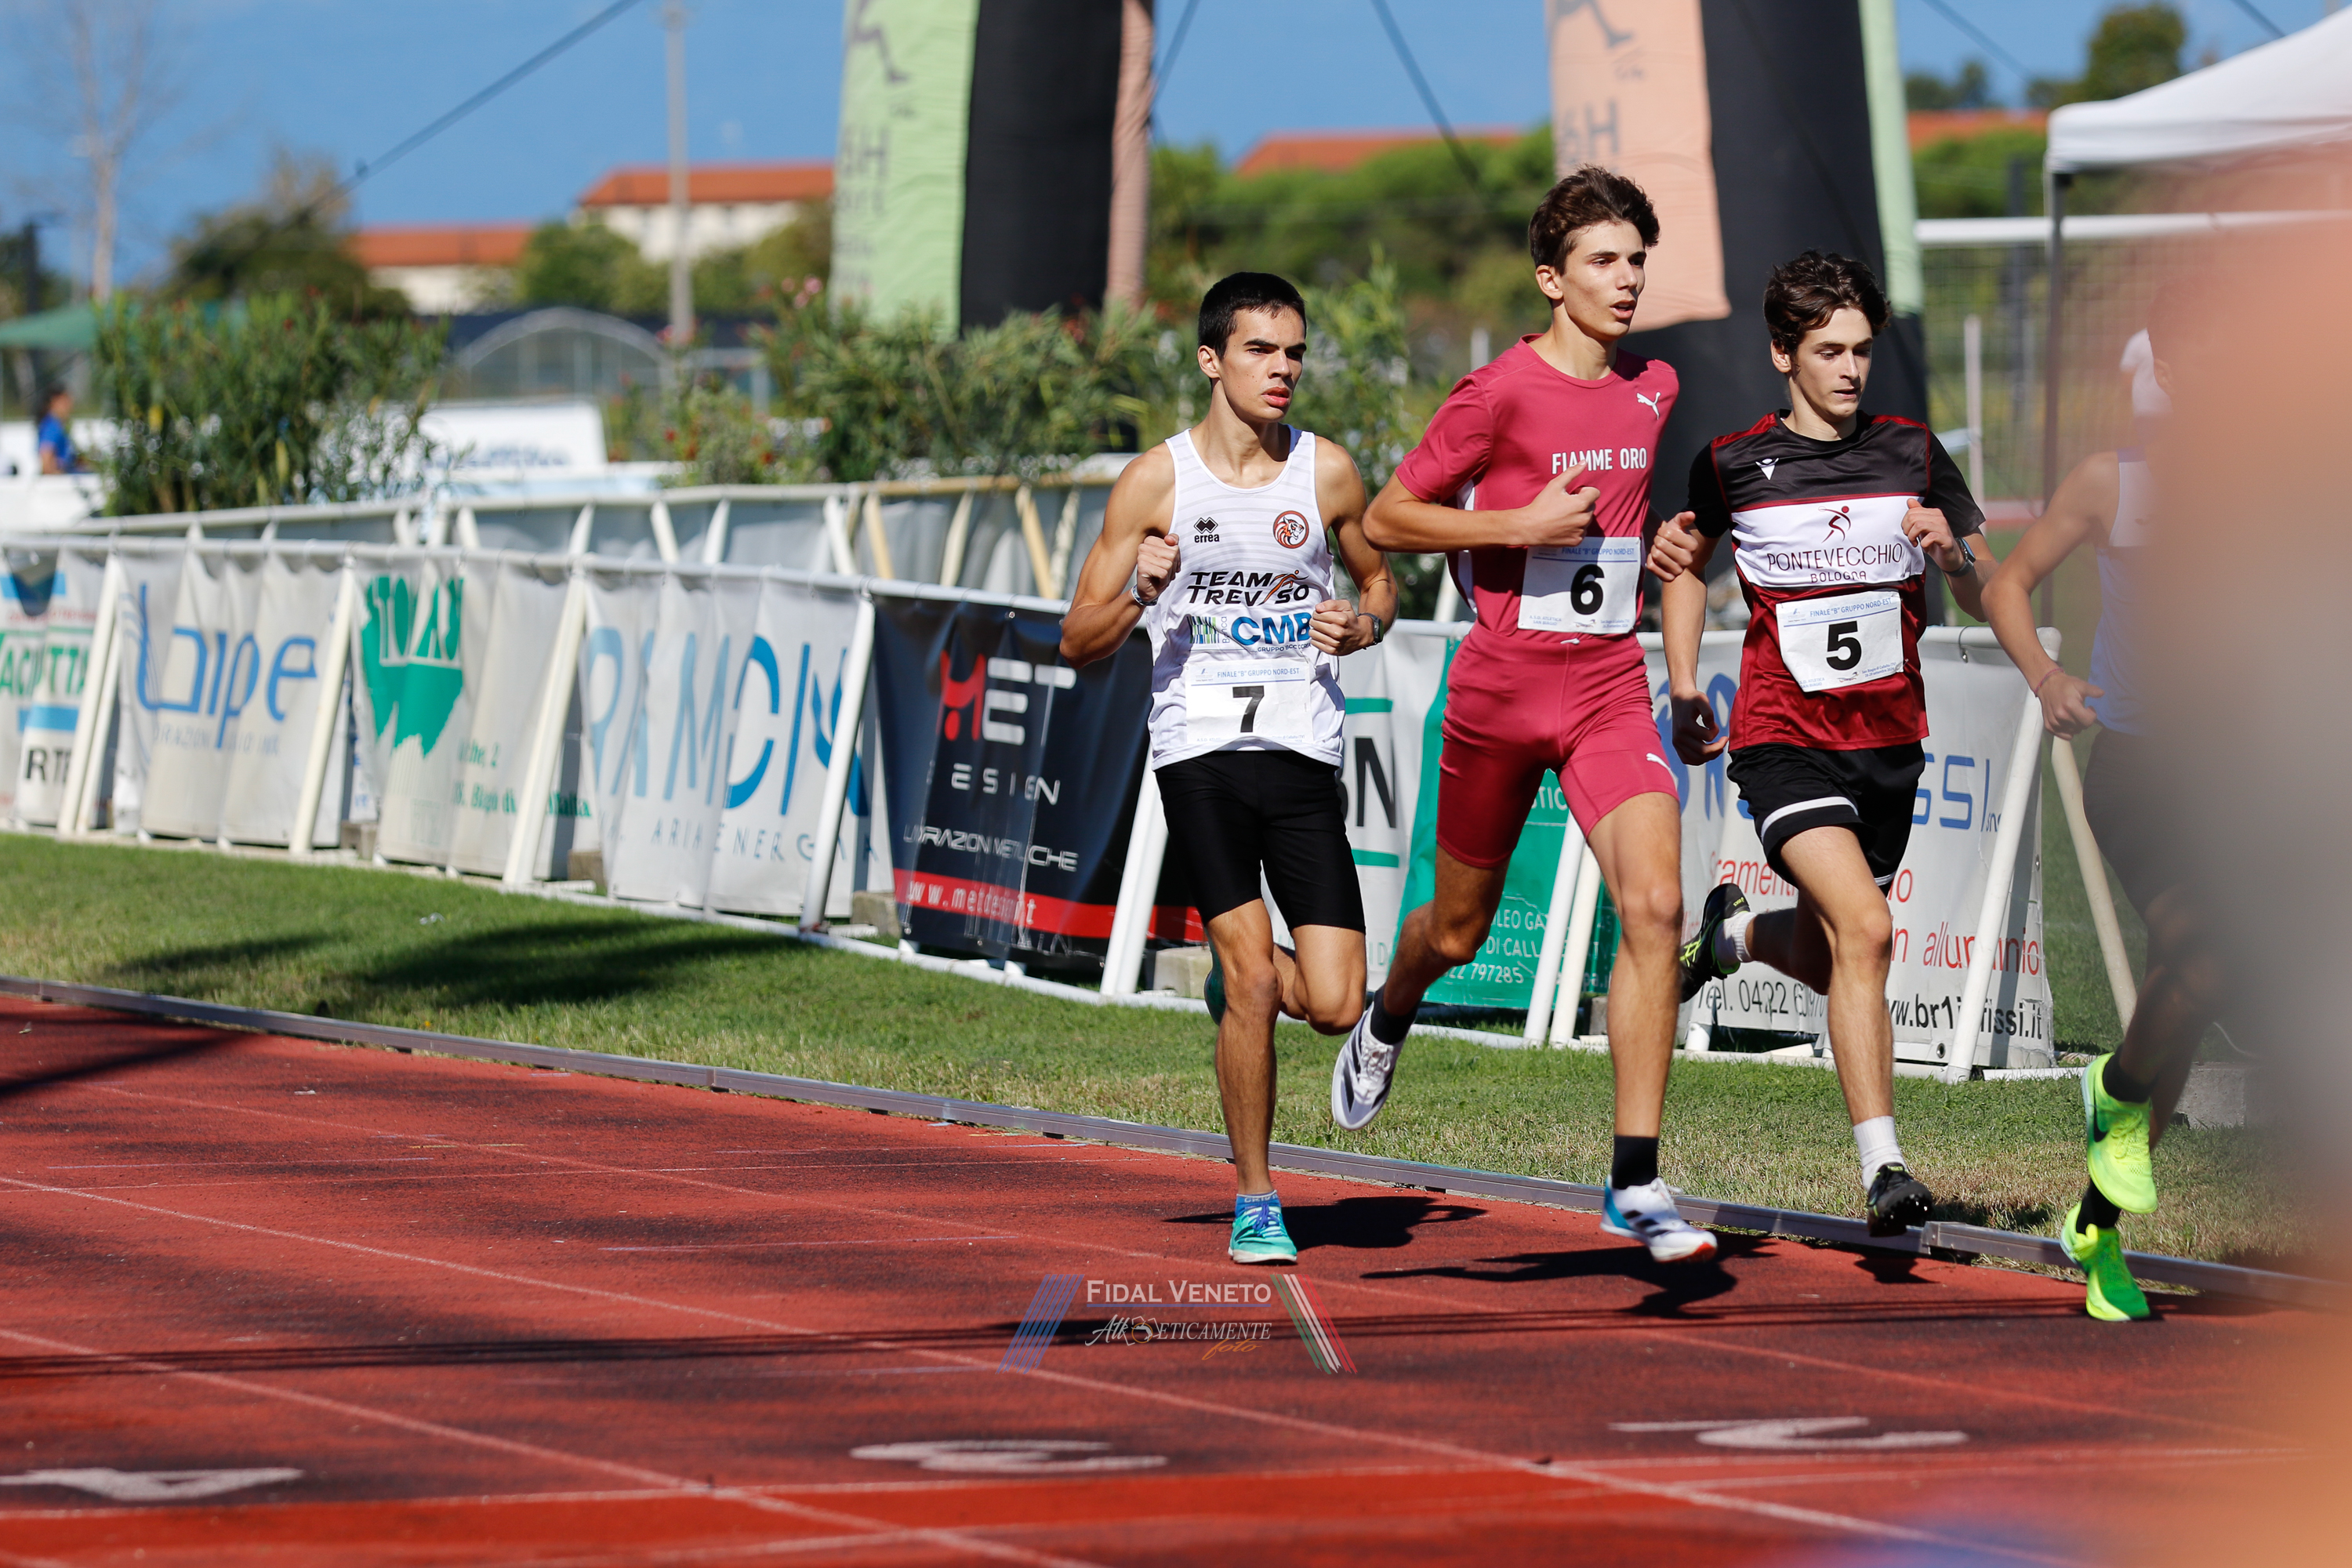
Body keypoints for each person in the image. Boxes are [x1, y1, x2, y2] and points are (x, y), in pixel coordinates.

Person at [1348, 165, 1716, 1265]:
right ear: (1553, 279)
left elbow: (1642, 521)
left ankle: (1635, 1179)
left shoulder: (1656, 386)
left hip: (1607, 686)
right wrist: (1513, 524)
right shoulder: (1497, 393)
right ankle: (1391, 1009)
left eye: (1637, 261)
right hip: (1501, 690)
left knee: (1657, 904)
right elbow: (1388, 516)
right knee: (1456, 932)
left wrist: (1664, 556)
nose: (1627, 280)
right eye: (1604, 261)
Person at [1652, 250, 1991, 1238]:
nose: (1849, 368)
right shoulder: (1732, 462)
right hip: (1781, 738)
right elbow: (1684, 561)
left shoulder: (1914, 453)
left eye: (1861, 350)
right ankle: (1885, 1166)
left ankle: (1730, 937)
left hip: (1888, 744)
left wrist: (1953, 557)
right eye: (1829, 350)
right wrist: (1684, 683)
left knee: (1827, 945)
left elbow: (1984, 585)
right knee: (1868, 931)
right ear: (1783, 354)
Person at [1061, 272, 1396, 1266]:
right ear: (1212, 360)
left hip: (1301, 746)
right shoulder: (1155, 482)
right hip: (1198, 747)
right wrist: (1139, 592)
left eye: (1294, 352)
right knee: (1251, 978)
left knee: (1336, 1003)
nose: (1282, 369)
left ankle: (1239, 976)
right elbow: (1077, 638)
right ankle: (1257, 1197)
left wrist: (1363, 625)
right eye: (1260, 350)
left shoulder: (1326, 472)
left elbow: (1380, 578)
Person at [1976, 280, 2216, 1322]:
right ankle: (2114, 1092)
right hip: (2142, 769)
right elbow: (2006, 582)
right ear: (2167, 369)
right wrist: (2046, 678)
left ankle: (2096, 1224)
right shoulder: (2112, 482)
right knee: (2206, 954)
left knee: (2189, 998)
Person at [37, 387, 82, 475]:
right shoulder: (53, 426)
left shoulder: (59, 425)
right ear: (54, 402)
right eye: (65, 402)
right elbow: (46, 458)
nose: (69, 406)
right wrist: (59, 476)